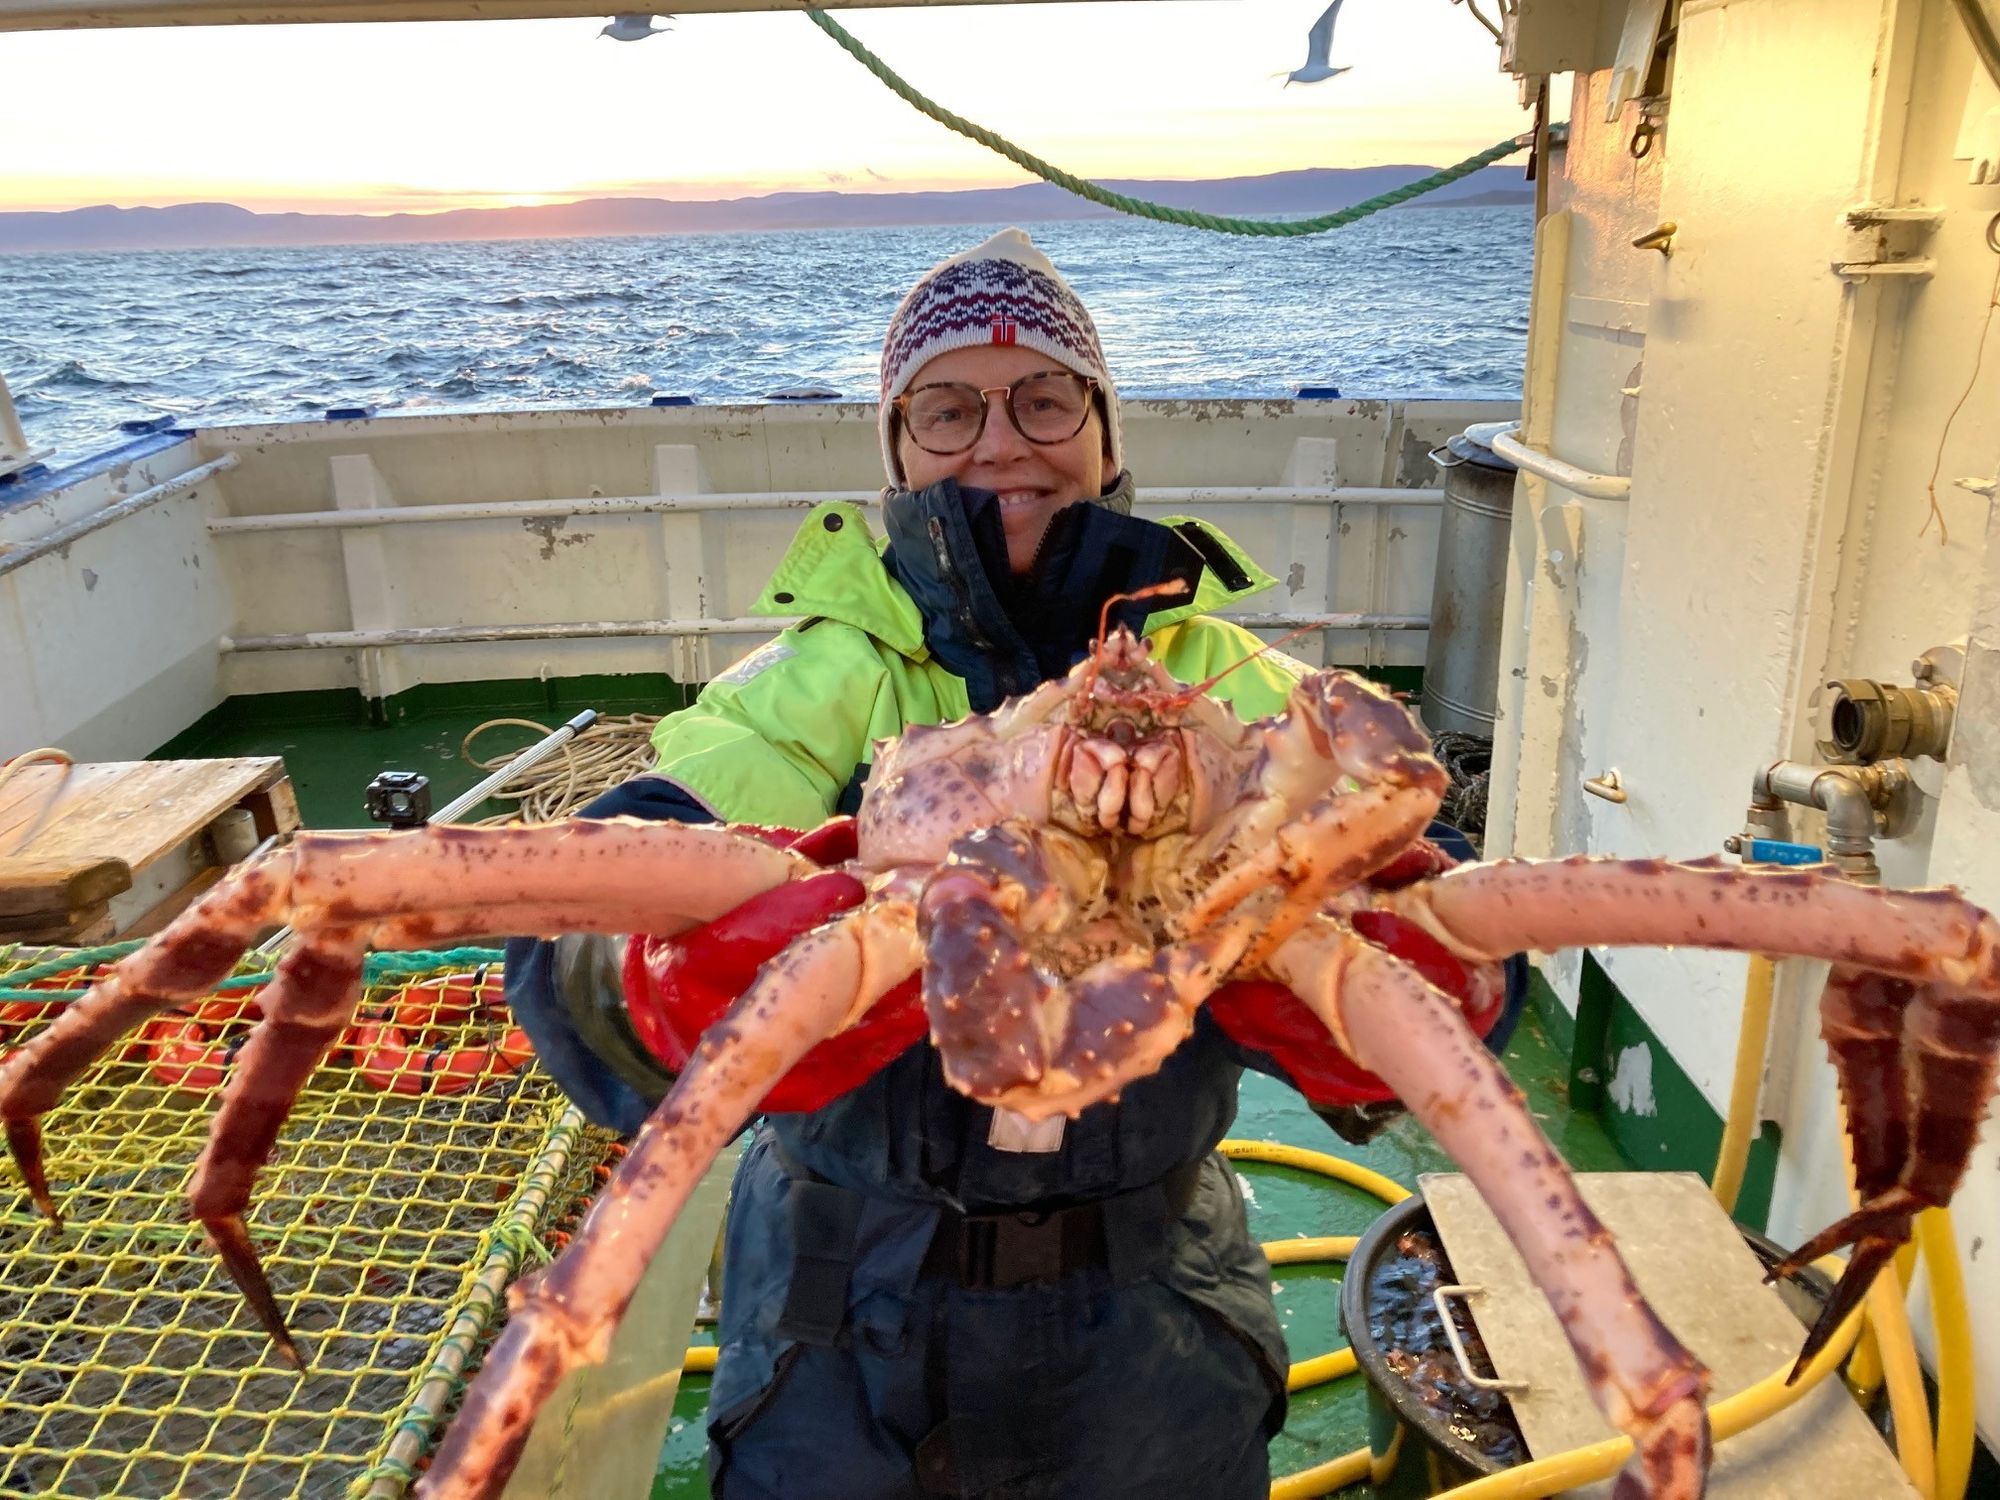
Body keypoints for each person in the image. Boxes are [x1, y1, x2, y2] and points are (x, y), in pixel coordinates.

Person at [506, 228, 1513, 1500]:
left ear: (1102, 432)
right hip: (833, 1308)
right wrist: (637, 989)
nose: (998, 440)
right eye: (945, 407)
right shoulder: (817, 685)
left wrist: (1446, 974)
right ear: (896, 444)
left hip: (1149, 1309)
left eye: (1044, 397)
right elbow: (586, 897)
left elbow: (1438, 891)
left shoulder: (1232, 689)